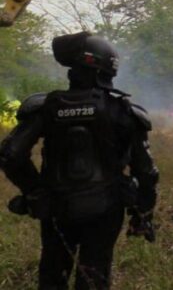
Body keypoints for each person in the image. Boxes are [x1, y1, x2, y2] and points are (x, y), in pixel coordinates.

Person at [0, 31, 158, 290]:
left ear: (75, 68)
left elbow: (10, 155)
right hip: (106, 209)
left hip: (56, 208)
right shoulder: (123, 111)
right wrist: (144, 214)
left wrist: (35, 191)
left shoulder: (45, 107)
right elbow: (147, 172)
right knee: (94, 275)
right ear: (106, 69)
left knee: (53, 274)